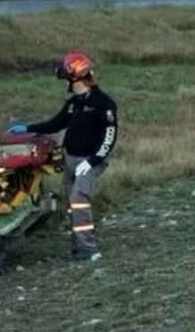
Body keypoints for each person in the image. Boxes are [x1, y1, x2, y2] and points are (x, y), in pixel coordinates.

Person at [8, 50, 118, 263]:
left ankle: (88, 250)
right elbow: (55, 123)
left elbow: (109, 137)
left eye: (67, 77)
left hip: (90, 161)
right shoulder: (74, 104)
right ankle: (78, 248)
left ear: (77, 76)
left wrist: (93, 161)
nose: (65, 82)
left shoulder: (103, 103)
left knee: (79, 199)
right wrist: (27, 128)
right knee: (71, 200)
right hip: (71, 159)